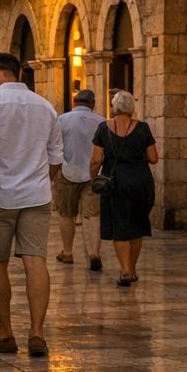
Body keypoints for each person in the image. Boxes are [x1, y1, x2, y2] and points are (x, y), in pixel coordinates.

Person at [0, 52, 63, 358]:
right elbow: (56, 158)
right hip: (36, 196)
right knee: (36, 260)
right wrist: (38, 179)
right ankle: (37, 334)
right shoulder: (46, 107)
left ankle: (5, 333)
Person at [90, 91, 158, 287]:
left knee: (120, 226)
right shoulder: (143, 128)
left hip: (116, 182)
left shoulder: (103, 128)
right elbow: (153, 158)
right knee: (137, 225)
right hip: (140, 181)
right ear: (131, 108)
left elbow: (96, 159)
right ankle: (133, 269)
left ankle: (125, 270)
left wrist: (94, 178)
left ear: (114, 107)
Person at [54, 90, 105, 272]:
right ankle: (94, 254)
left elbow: (54, 146)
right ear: (93, 104)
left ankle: (68, 252)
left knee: (66, 213)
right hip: (94, 172)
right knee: (93, 215)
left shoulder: (62, 120)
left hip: (68, 170)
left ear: (74, 102)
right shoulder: (101, 121)